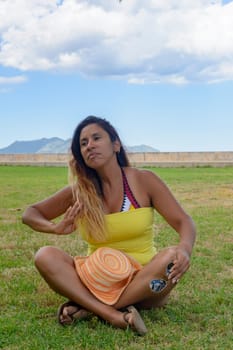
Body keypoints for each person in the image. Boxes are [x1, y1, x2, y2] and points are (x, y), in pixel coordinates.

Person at [22, 115, 196, 336]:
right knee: (44, 255)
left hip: (144, 281)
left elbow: (184, 221)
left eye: (96, 138)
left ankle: (91, 308)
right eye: (83, 143)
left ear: (115, 144)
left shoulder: (144, 180)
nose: (89, 146)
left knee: (171, 257)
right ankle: (113, 315)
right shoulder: (79, 191)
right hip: (96, 281)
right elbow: (30, 213)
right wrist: (54, 228)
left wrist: (185, 249)